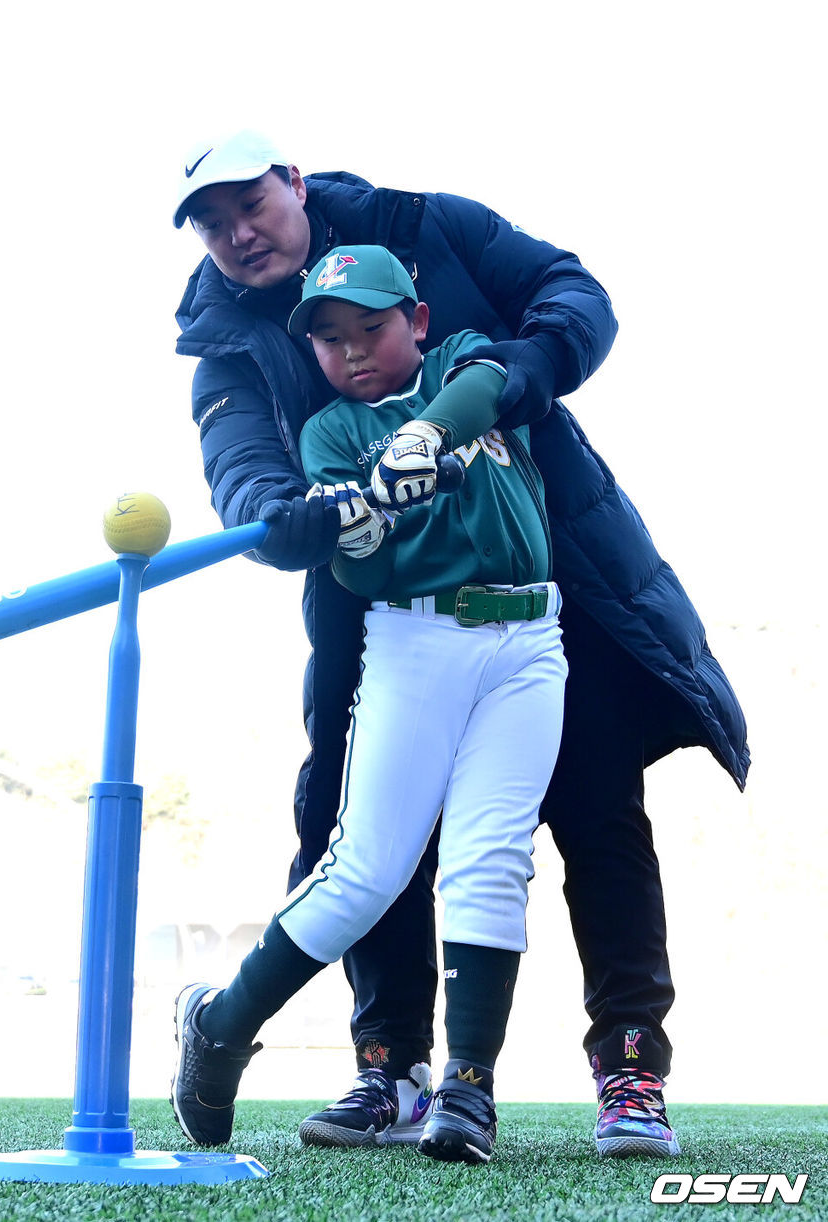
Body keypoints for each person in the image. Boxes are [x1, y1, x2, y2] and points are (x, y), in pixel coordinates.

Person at [171, 130, 750, 1157]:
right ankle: (387, 1066)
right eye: (211, 224)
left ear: (294, 183)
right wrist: (294, 515)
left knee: (593, 804)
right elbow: (244, 470)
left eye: (250, 203)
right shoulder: (225, 338)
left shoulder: (424, 224)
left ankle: (624, 1066)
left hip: (555, 563)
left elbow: (571, 297)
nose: (238, 233)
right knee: (354, 841)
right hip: (383, 609)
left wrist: (514, 380)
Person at [172, 243, 568, 1164]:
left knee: (491, 858)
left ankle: (468, 1089)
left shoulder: (457, 358)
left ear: (415, 322)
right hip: (415, 643)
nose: (353, 352)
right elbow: (364, 569)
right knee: (368, 870)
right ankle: (220, 1028)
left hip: (529, 643)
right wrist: (367, 520)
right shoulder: (329, 440)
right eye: (331, 339)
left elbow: (487, 382)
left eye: (373, 328)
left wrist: (423, 442)